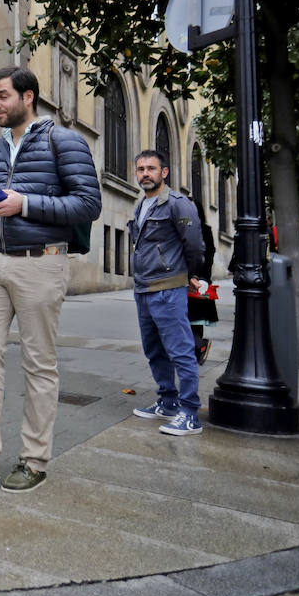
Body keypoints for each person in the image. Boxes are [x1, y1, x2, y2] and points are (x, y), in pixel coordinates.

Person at [0, 66, 101, 493]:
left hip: (40, 263)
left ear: (28, 97)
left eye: (3, 96)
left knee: (39, 364)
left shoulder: (63, 141)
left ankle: (33, 461)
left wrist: (24, 203)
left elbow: (88, 204)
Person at [128, 150, 206, 436]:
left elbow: (194, 244)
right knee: (154, 350)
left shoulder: (177, 203)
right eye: (140, 169)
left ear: (164, 173)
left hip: (168, 286)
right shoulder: (142, 205)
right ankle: (168, 401)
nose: (145, 173)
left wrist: (194, 274)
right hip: (144, 288)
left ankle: (189, 413)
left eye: (151, 168)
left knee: (180, 350)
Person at [187, 196, 217, 365]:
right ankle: (198, 348)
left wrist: (202, 277)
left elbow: (209, 254)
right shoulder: (182, 228)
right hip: (185, 278)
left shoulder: (205, 230)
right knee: (189, 316)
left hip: (199, 280)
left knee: (194, 317)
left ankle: (199, 346)